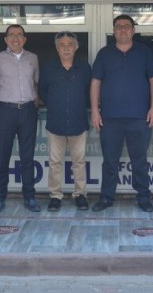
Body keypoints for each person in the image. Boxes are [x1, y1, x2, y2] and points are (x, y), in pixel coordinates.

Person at [90, 15, 153, 212]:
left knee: (140, 161)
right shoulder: (104, 54)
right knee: (110, 161)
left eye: (126, 26)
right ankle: (106, 197)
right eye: (119, 26)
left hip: (139, 117)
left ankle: (143, 197)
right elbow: (95, 83)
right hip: (110, 118)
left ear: (133, 30)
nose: (122, 29)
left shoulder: (144, 52)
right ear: (114, 31)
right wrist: (95, 110)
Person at [0, 24, 40, 214]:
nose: (16, 38)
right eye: (12, 35)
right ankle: (0, 197)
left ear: (25, 39)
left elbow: (35, 84)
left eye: (19, 34)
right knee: (3, 156)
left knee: (27, 157)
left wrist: (35, 106)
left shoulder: (33, 58)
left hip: (28, 111)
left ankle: (29, 197)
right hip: (6, 111)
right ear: (5, 39)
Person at [39, 31, 92, 212]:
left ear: (76, 47)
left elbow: (89, 92)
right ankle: (55, 196)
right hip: (56, 122)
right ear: (57, 48)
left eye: (70, 45)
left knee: (79, 161)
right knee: (55, 162)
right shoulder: (48, 68)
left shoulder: (84, 68)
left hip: (78, 122)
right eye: (62, 45)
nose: (66, 48)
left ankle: (80, 194)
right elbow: (43, 92)